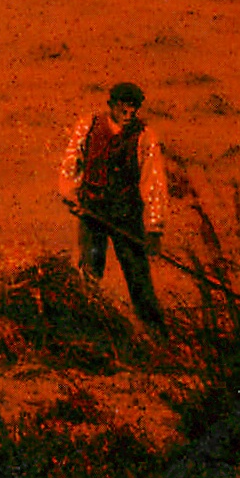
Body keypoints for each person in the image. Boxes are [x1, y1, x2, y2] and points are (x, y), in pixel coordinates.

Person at [57, 81, 168, 330]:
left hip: (126, 215)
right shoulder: (88, 126)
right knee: (88, 274)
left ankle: (155, 332)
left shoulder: (145, 136)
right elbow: (71, 163)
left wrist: (154, 228)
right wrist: (71, 197)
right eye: (123, 108)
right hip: (92, 212)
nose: (128, 114)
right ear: (111, 106)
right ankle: (87, 330)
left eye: (133, 109)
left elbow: (154, 182)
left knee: (138, 277)